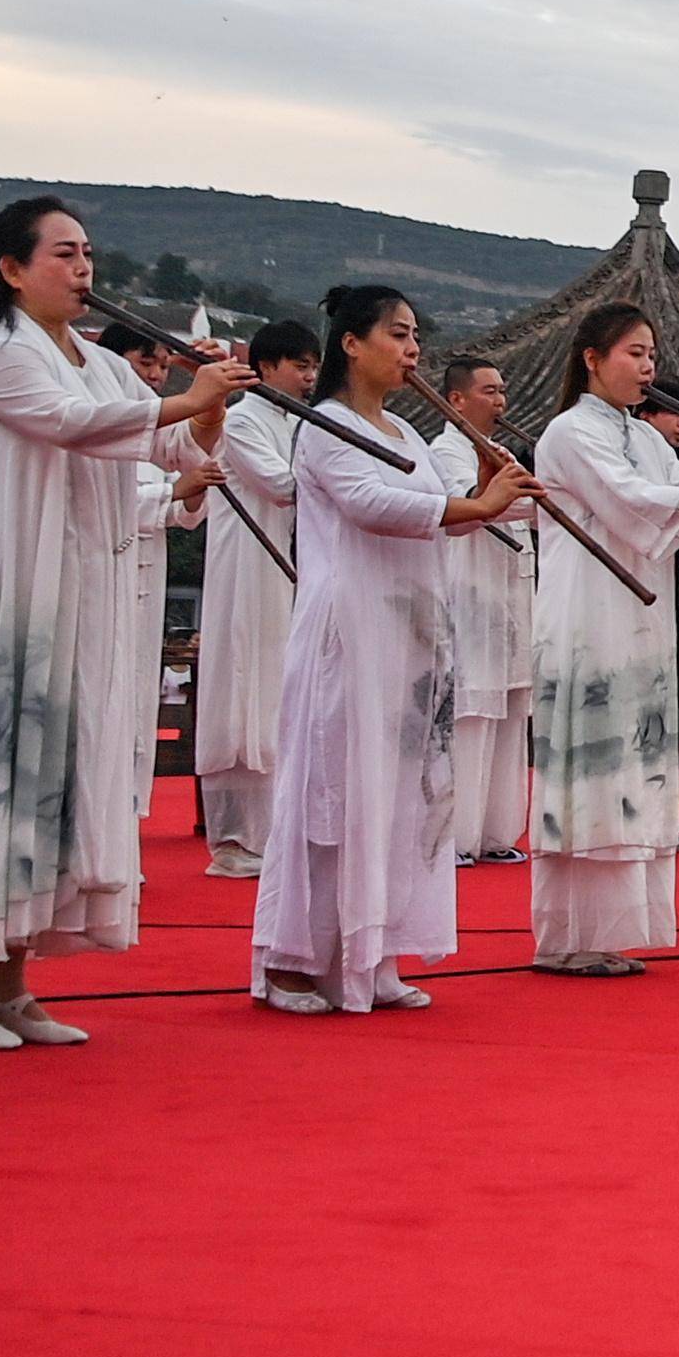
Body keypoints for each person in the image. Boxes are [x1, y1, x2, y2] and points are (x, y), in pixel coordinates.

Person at [0, 201, 247, 1049]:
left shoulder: (96, 362)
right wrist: (182, 400)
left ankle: (15, 977)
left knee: (54, 774)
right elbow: (72, 427)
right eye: (63, 254)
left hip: (82, 586)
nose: (84, 269)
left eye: (89, 253)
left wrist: (205, 406)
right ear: (12, 269)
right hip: (13, 586)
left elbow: (169, 452)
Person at [248, 287, 534, 1016]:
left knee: (404, 792)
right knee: (333, 791)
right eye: (398, 336)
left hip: (409, 635)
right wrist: (477, 503)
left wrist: (493, 489)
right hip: (348, 628)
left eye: (416, 338)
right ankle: (293, 961)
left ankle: (371, 951)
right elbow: (374, 508)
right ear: (351, 343)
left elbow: (452, 520)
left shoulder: (406, 437)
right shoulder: (324, 426)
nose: (412, 352)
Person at [529, 308, 679, 966]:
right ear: (592, 358)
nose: (647, 367)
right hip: (587, 615)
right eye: (634, 354)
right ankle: (568, 939)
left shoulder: (644, 436)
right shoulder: (568, 432)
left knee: (629, 768)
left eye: (651, 355)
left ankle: (610, 933)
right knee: (589, 766)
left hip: (639, 615)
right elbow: (634, 500)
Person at [185, 315, 321, 877]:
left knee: (284, 693)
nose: (310, 377)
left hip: (293, 569)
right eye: (300, 365)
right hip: (248, 569)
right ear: (265, 368)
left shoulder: (306, 424)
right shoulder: (243, 422)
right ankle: (236, 837)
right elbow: (283, 485)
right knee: (244, 690)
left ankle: (278, 833)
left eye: (315, 366)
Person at [425, 354, 539, 870]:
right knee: (471, 712)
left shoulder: (501, 451)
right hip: (468, 595)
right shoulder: (445, 451)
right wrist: (515, 492)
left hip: (511, 598)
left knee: (511, 712)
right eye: (489, 391)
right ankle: (455, 836)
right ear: (457, 400)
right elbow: (464, 505)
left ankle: (496, 832)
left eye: (502, 391)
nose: (500, 401)